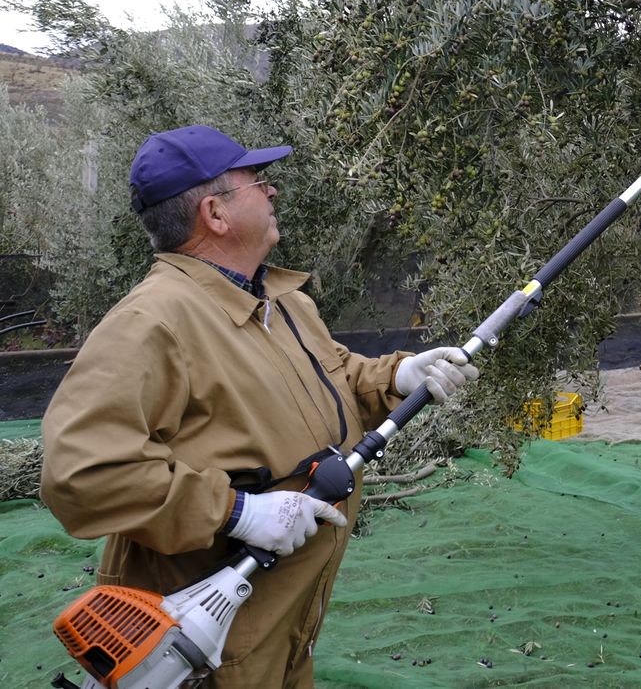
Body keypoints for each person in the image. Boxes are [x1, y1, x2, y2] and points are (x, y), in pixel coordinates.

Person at [41, 124, 478, 688]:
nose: (272, 192)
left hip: (284, 617)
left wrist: (399, 374)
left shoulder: (282, 300)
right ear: (215, 215)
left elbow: (337, 375)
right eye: (257, 182)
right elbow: (82, 473)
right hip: (202, 644)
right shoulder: (151, 323)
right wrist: (238, 512)